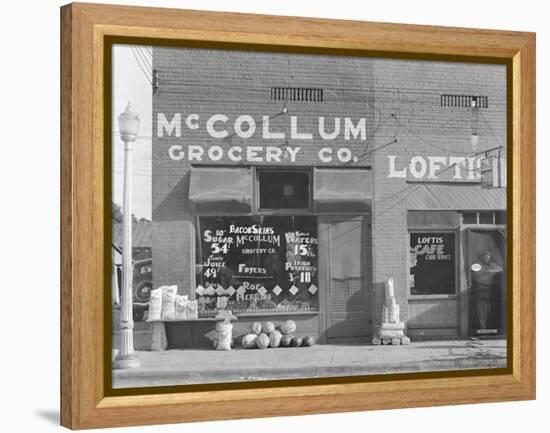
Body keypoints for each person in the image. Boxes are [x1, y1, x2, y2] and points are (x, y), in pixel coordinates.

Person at [471, 250, 503, 330]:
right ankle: (482, 328)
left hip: (490, 290)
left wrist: (491, 271)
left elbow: (501, 269)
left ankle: (487, 327)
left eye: (488, 256)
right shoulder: (477, 264)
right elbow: (475, 272)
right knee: (481, 309)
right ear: (481, 257)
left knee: (489, 309)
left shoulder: (492, 265)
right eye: (484, 256)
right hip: (480, 289)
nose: (486, 258)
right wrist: (486, 272)